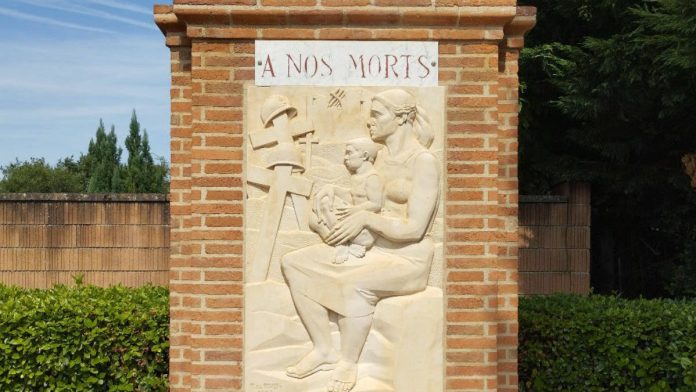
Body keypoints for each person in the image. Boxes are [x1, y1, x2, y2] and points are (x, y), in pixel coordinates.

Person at [281, 89, 440, 392]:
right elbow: (362, 201)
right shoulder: (379, 161)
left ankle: (348, 362)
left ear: (403, 117)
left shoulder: (423, 162)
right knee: (293, 263)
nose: (369, 122)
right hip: (369, 248)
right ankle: (324, 348)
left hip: (408, 257)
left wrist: (365, 219)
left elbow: (415, 229)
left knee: (354, 284)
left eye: (377, 115)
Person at [310, 138, 383, 264]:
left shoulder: (372, 178)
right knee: (318, 213)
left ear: (364, 156)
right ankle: (344, 242)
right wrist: (332, 188)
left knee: (324, 208)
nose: (345, 157)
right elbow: (352, 195)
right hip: (352, 221)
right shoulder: (356, 177)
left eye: (349, 153)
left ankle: (342, 244)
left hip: (366, 232)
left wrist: (355, 210)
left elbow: (376, 204)